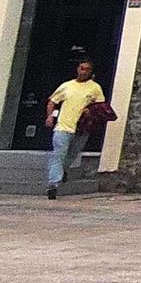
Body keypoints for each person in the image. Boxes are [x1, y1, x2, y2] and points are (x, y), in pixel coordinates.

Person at [44, 57, 104, 199]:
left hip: (81, 128)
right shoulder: (67, 85)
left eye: (87, 69)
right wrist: (50, 116)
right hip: (63, 126)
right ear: (77, 69)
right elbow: (52, 101)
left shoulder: (95, 88)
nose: (84, 72)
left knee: (72, 154)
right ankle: (53, 185)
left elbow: (101, 106)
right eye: (82, 68)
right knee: (58, 154)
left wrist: (90, 111)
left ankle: (62, 171)